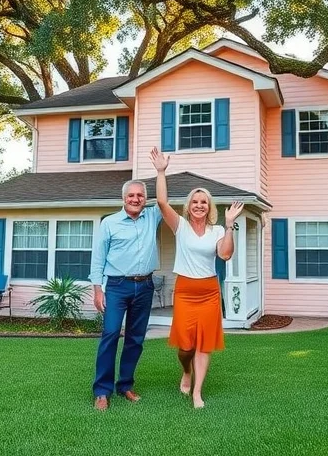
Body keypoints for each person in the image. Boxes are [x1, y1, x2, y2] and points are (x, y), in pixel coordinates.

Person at [149, 146, 242, 409]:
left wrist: (230, 226)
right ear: (188, 206)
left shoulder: (217, 231)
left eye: (204, 202)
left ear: (209, 207)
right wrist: (161, 171)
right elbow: (162, 203)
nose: (199, 205)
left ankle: (197, 392)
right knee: (186, 347)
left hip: (209, 292)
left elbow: (225, 255)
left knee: (204, 344)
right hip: (186, 291)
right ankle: (186, 370)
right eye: (195, 202)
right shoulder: (180, 226)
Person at [90, 178, 163, 411]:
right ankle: (102, 391)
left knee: (135, 338)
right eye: (131, 195)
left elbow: (163, 199)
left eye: (140, 195)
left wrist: (161, 171)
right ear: (124, 198)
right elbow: (98, 258)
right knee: (111, 334)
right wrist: (97, 290)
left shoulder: (152, 216)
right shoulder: (109, 223)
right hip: (116, 286)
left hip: (145, 285)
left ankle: (125, 385)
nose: (135, 199)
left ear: (145, 199)